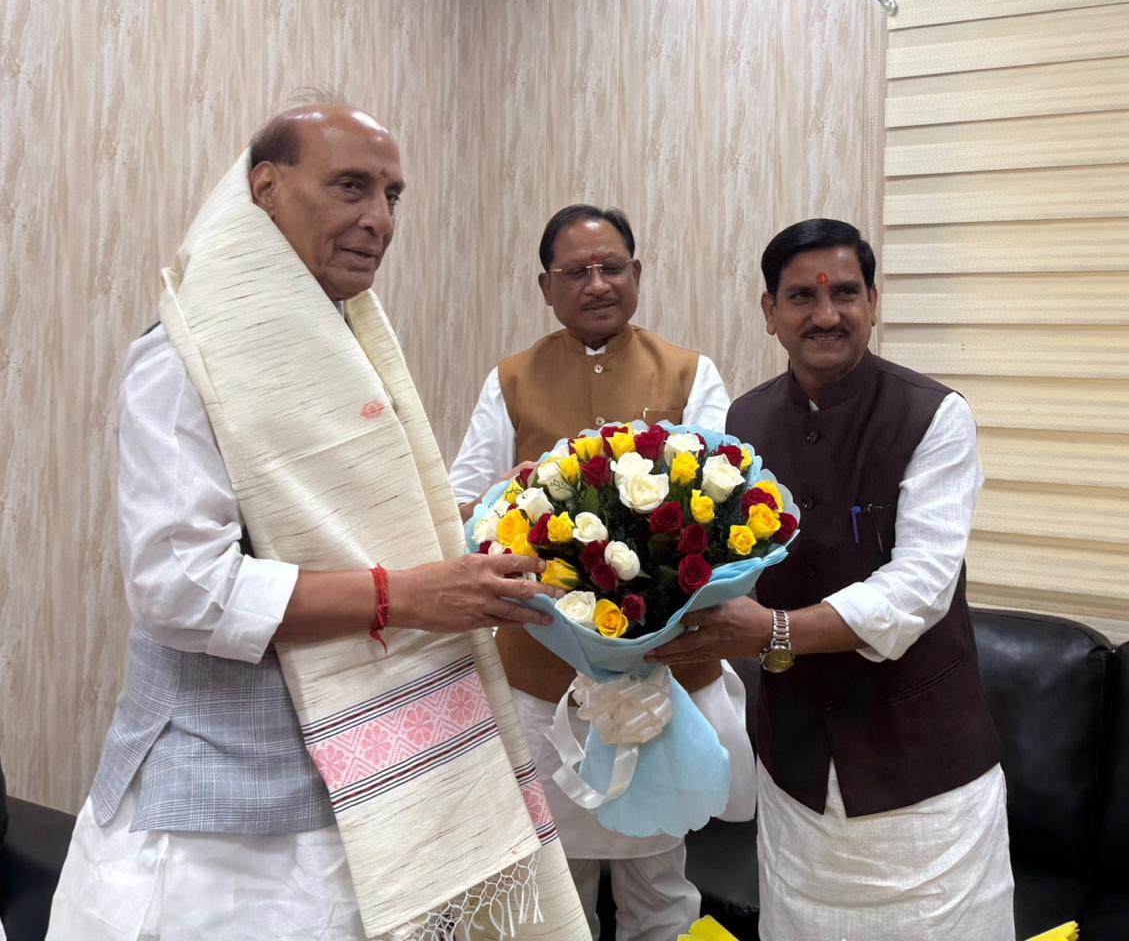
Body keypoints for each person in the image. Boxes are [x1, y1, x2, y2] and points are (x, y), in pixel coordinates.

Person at [48, 106, 589, 940]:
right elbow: (180, 589)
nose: (378, 220)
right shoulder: (184, 357)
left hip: (364, 794)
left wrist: (496, 520)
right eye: (349, 187)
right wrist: (407, 597)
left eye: (391, 196)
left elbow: (348, 528)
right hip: (224, 822)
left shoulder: (348, 347)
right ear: (265, 188)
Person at [650, 217, 1014, 940]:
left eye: (845, 292)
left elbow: (919, 588)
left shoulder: (934, 415)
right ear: (769, 312)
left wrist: (774, 631)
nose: (826, 314)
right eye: (801, 297)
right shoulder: (744, 422)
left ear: (873, 303)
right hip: (797, 770)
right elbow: (723, 565)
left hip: (921, 775)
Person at [449, 205, 752, 941]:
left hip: (663, 661)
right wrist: (506, 502)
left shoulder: (689, 372)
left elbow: (727, 504)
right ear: (545, 287)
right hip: (542, 662)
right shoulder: (511, 379)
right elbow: (461, 503)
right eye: (576, 272)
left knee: (661, 879)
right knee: (556, 883)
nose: (597, 284)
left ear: (636, 274)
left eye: (612, 267)